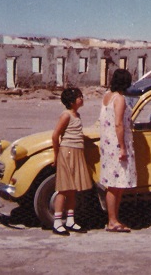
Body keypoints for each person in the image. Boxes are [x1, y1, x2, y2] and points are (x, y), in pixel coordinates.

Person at [99, 69, 137, 233]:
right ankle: (112, 220)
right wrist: (122, 147)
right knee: (115, 185)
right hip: (116, 144)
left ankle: (113, 218)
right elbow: (118, 124)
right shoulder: (119, 99)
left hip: (108, 144)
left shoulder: (107, 96)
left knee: (116, 184)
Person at [52, 87, 93, 236]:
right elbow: (55, 135)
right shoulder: (66, 115)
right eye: (79, 97)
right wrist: (57, 155)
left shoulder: (77, 115)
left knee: (72, 189)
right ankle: (57, 222)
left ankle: (70, 220)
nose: (82, 99)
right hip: (67, 151)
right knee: (63, 188)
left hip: (76, 151)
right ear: (71, 101)